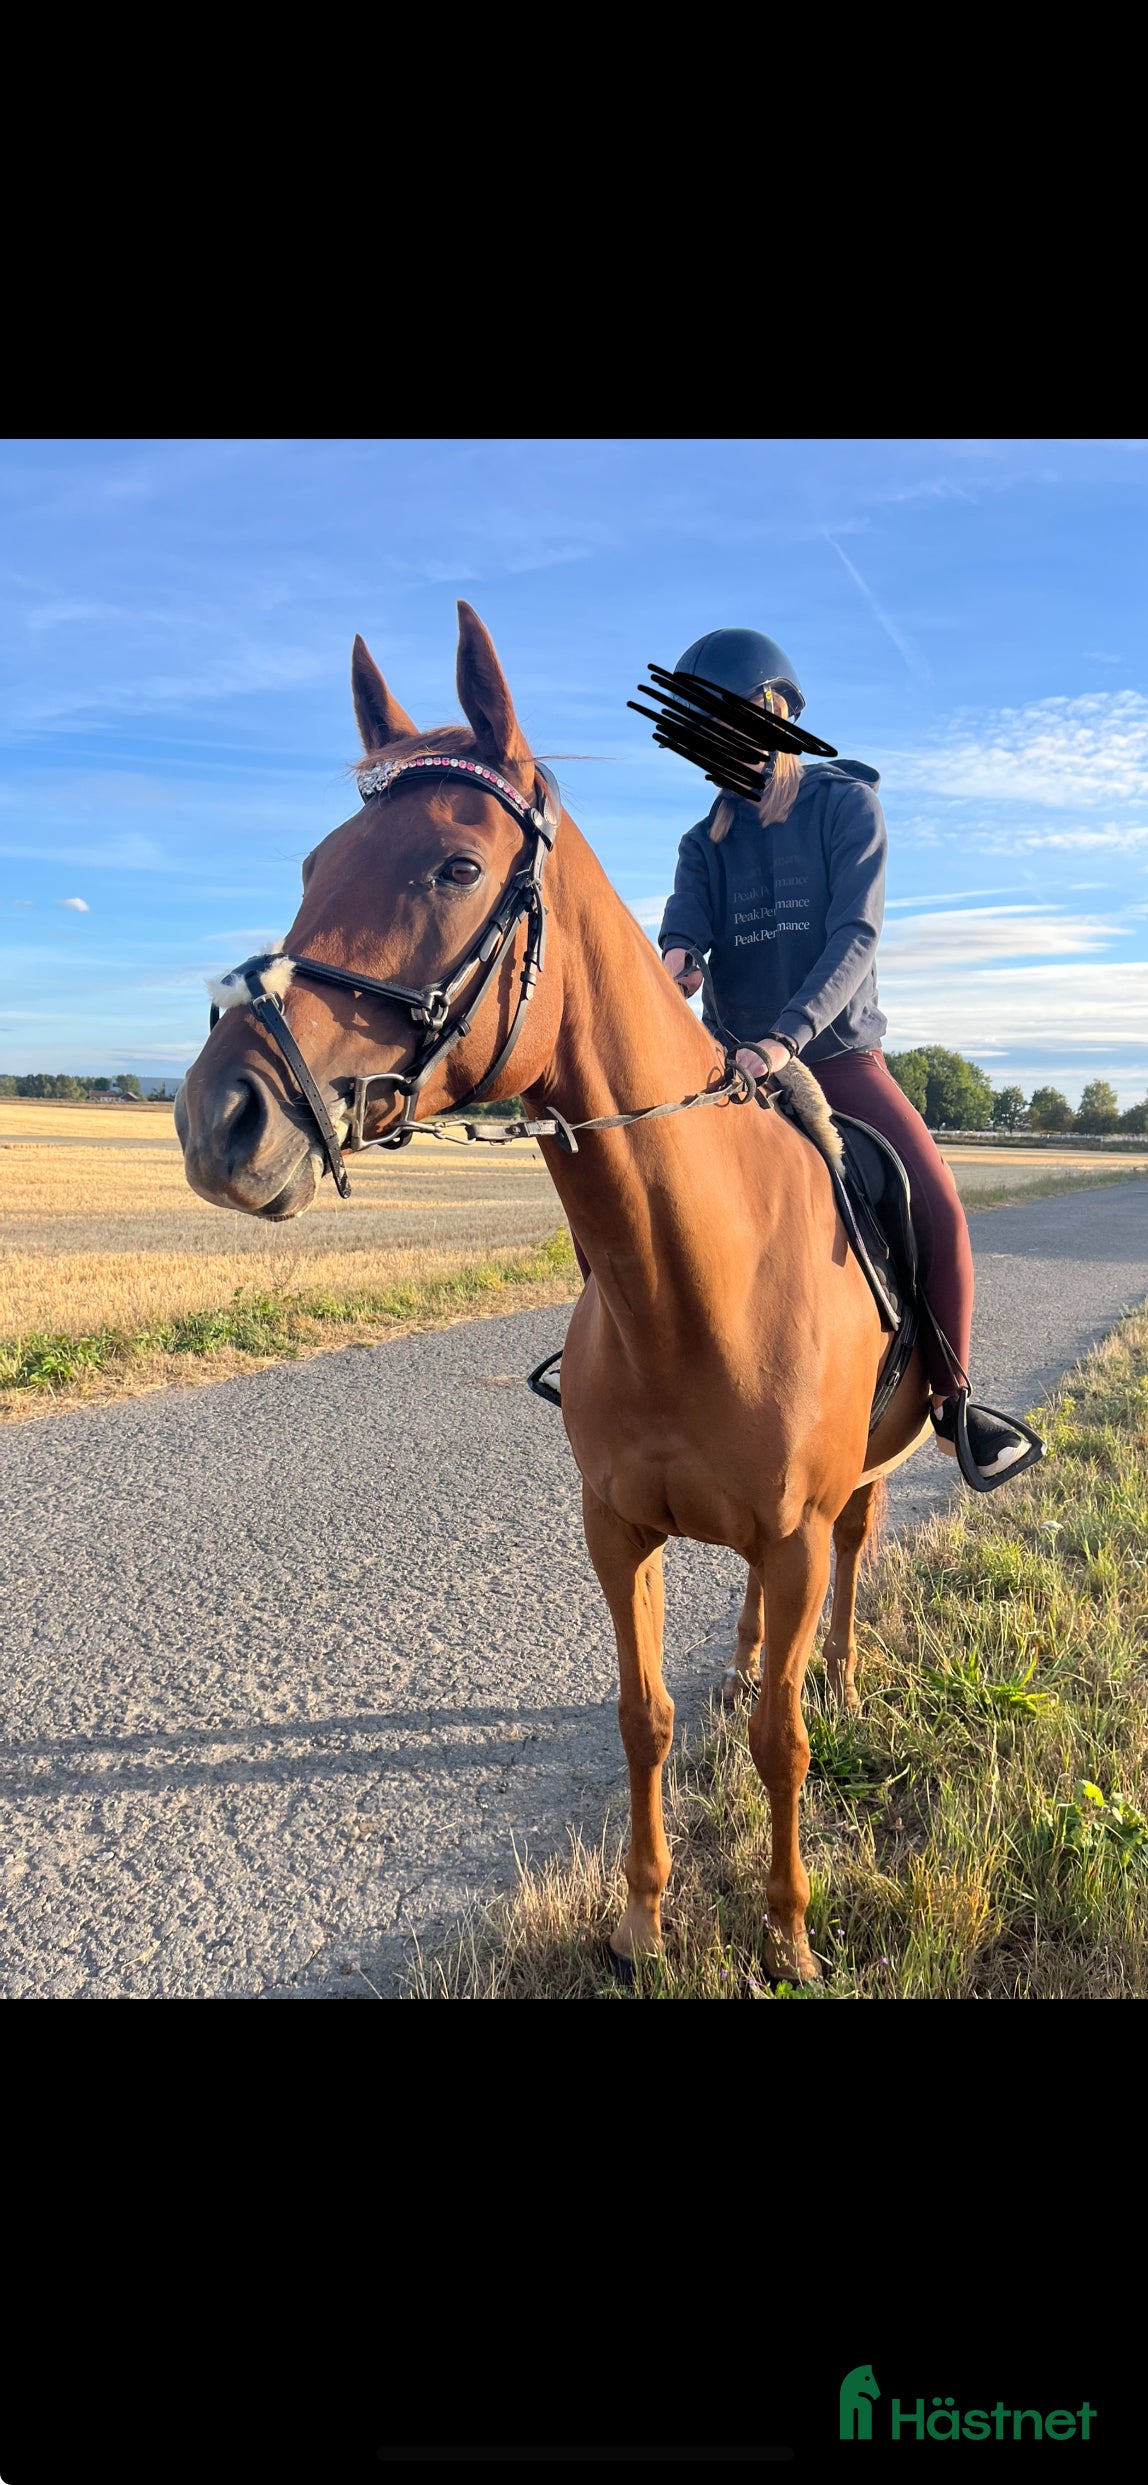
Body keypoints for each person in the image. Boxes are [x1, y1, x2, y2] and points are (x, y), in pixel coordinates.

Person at [655, 627, 1042, 1490]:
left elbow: (854, 936)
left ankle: (953, 1403)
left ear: (779, 712)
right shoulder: (702, 841)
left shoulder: (843, 806)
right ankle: (615, 1360)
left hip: (830, 1058)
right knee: (633, 1170)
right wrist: (672, 967)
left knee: (936, 1199)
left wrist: (784, 1036)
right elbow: (685, 934)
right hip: (729, 1073)